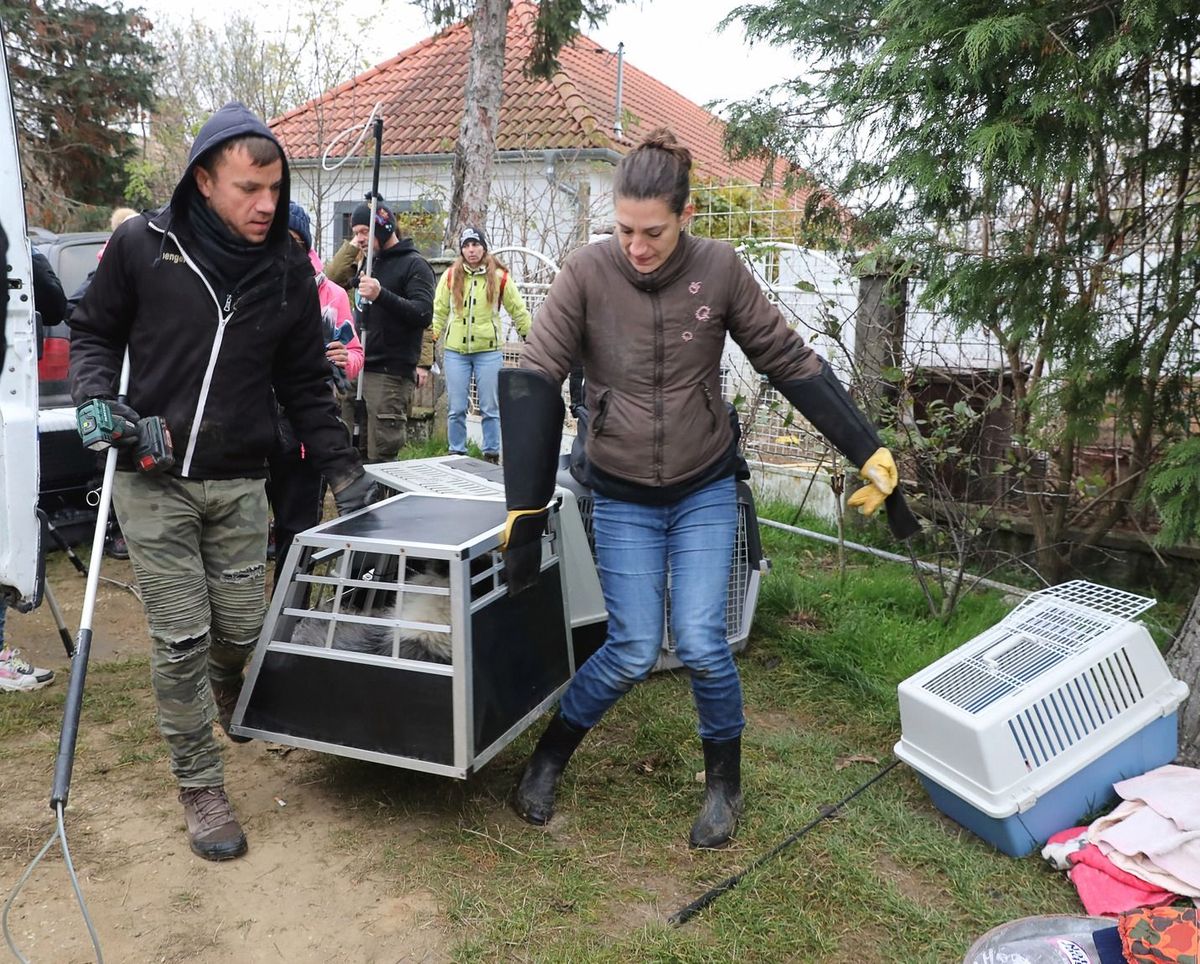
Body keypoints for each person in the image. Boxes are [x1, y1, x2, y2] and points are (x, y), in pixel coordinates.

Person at [498, 129, 920, 849]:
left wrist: (866, 448)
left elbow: (788, 360)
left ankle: (723, 783)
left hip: (703, 486)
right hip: (623, 490)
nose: (636, 246)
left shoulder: (720, 270)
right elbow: (535, 373)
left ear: (685, 214)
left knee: (700, 638)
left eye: (652, 231)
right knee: (631, 648)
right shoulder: (587, 273)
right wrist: (525, 509)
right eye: (624, 230)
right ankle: (548, 759)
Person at [68, 101, 374, 862]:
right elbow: (93, 330)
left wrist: (346, 473)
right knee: (179, 637)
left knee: (242, 628)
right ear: (203, 180)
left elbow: (307, 384)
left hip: (241, 481)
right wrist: (95, 397)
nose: (266, 205)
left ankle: (225, 681)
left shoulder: (286, 277)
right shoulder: (144, 246)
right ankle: (199, 781)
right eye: (248, 189)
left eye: (275, 188)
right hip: (152, 473)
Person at [266, 201, 364, 582]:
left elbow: (354, 355)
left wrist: (344, 357)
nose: (283, 249)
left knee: (298, 531)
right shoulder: (254, 286)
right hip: (254, 429)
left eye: (292, 240)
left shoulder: (332, 295)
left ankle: (288, 617)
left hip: (306, 433)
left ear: (305, 244)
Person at [341, 198, 434, 461]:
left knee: (381, 455)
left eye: (364, 231)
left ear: (383, 227)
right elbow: (332, 277)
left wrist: (382, 294)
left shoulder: (414, 265)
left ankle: (384, 501)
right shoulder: (367, 262)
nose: (358, 239)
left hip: (389, 374)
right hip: (357, 367)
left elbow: (423, 313)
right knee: (349, 446)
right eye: (355, 232)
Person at [430, 226, 532, 462]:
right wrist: (430, 341)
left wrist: (531, 337)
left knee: (490, 406)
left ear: (484, 247)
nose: (471, 250)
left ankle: (491, 453)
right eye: (466, 246)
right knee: (456, 407)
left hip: (488, 351)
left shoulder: (500, 277)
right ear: (461, 251)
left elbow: (518, 310)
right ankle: (456, 451)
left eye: (475, 244)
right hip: (456, 351)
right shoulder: (450, 276)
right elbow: (439, 312)